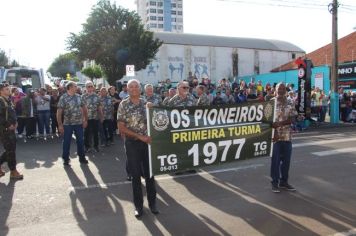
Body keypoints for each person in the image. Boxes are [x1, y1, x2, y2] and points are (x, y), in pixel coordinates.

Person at [117, 79, 158, 218]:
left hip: (147, 144)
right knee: (135, 176)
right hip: (132, 143)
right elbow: (121, 128)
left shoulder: (146, 103)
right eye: (131, 87)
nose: (134, 89)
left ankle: (153, 204)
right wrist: (139, 136)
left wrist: (153, 109)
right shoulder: (123, 104)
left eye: (136, 86)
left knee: (150, 175)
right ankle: (138, 206)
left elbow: (157, 121)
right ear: (127, 89)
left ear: (140, 89)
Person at [270, 83, 297, 193]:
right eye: (278, 88)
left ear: (285, 90)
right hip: (274, 137)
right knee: (275, 161)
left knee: (286, 161)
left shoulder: (290, 102)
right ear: (275, 90)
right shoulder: (271, 102)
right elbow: (266, 120)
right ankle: (274, 183)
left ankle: (284, 182)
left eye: (282, 88)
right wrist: (273, 128)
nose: (281, 90)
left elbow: (293, 118)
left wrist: (279, 124)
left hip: (287, 136)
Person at [57, 82, 89, 166]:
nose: (77, 87)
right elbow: (59, 112)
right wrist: (60, 125)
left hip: (79, 123)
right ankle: (66, 159)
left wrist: (85, 120)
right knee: (66, 141)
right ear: (70, 87)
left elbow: (84, 108)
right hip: (68, 124)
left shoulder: (79, 96)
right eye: (75, 86)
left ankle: (82, 157)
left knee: (80, 141)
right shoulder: (63, 98)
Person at [0, 83, 23, 180]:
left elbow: (12, 113)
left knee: (10, 150)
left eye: (8, 89)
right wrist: (8, 125)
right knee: (11, 151)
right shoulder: (1, 101)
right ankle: (13, 171)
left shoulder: (8, 100)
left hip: (11, 129)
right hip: (5, 130)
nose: (9, 90)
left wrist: (16, 122)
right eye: (6, 89)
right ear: (1, 91)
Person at [82, 81, 103, 152]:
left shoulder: (97, 96)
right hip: (86, 118)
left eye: (91, 86)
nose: (90, 88)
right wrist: (83, 119)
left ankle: (96, 146)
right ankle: (87, 147)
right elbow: (81, 109)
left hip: (95, 117)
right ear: (86, 88)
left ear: (93, 87)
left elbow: (99, 107)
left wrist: (101, 116)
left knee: (96, 133)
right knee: (86, 133)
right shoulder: (83, 96)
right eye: (88, 86)